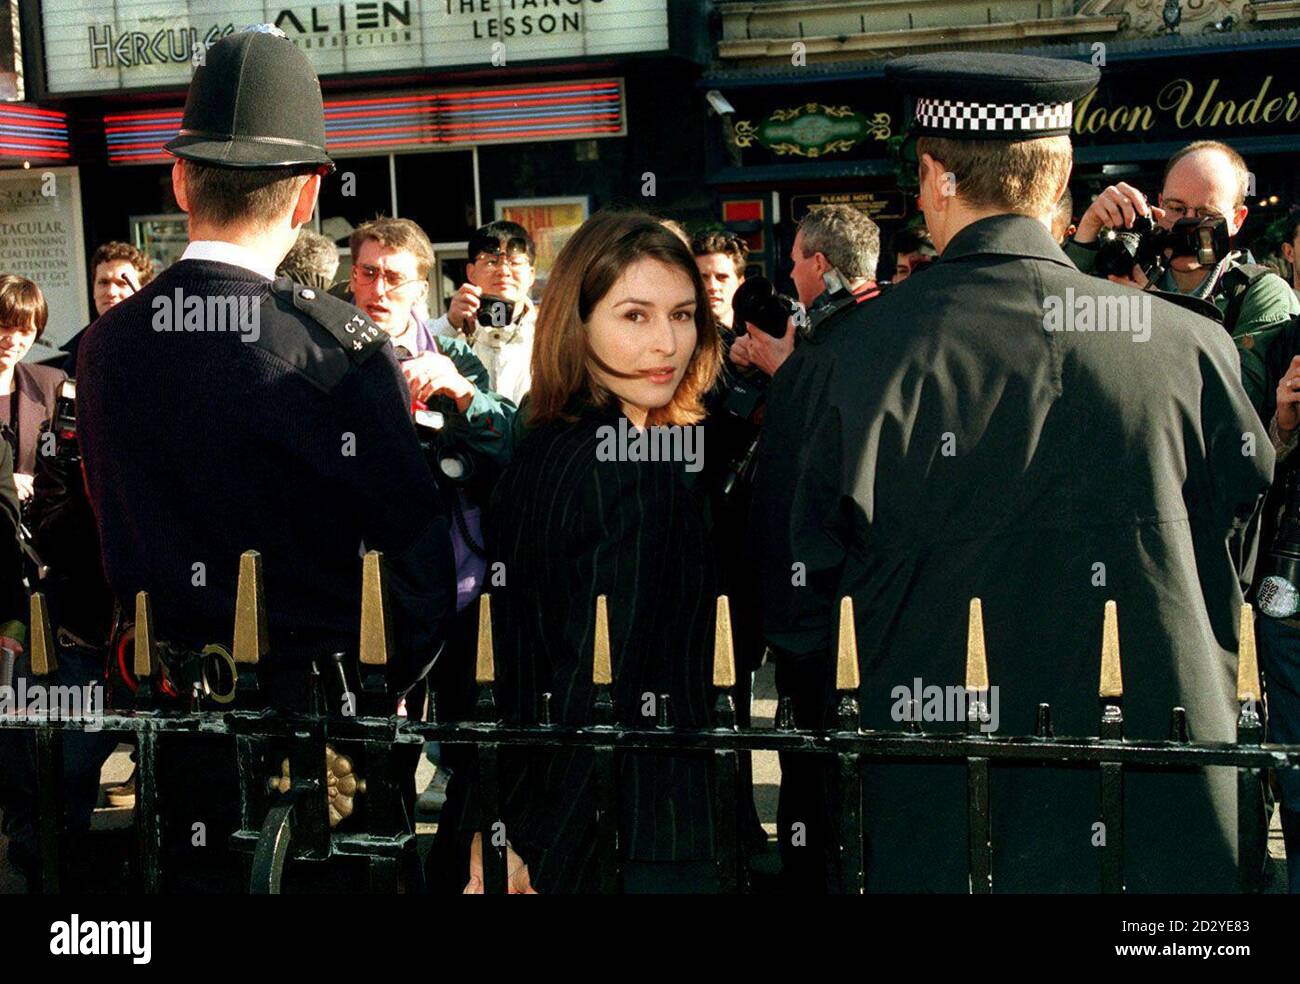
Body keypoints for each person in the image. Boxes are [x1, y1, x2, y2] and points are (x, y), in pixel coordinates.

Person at [757, 50, 1272, 893]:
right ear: (1062, 172)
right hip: (1159, 833)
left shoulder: (845, 361)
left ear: (932, 176)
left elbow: (793, 606)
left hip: (932, 825)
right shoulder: (1192, 347)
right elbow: (1236, 558)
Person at [74, 26, 457, 890]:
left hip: (166, 729)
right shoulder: (341, 349)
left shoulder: (104, 347)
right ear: (308, 195)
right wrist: (373, 683)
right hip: (314, 742)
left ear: (179, 180)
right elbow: (418, 563)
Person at [463, 210, 723, 893]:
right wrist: (540, 851)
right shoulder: (634, 467)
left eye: (684, 313)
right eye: (634, 316)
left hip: (549, 808)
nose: (666, 341)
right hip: (631, 832)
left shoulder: (548, 443)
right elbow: (602, 683)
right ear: (576, 323)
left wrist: (504, 825)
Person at [745, 204, 883, 892]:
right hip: (877, 609)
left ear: (820, 264)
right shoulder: (889, 331)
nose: (789, 273)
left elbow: (791, 498)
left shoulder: (827, 352)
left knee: (813, 769)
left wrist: (786, 625)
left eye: (796, 260)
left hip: (823, 619)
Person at [1065, 139, 1299, 419]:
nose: (1187, 226)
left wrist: (1155, 314)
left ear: (1237, 219)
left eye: (1205, 215)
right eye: (1176, 209)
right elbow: (1054, 329)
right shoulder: (1133, 269)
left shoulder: (1258, 292)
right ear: (1160, 203)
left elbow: (1239, 404)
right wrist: (1086, 236)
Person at [429, 220, 537, 404]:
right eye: (491, 261)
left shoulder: (551, 333)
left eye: (514, 262)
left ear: (531, 274)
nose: (503, 271)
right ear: (471, 273)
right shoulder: (450, 329)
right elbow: (411, 357)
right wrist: (450, 324)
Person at [0, 275, 65, 505]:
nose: (13, 340)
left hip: (36, 529)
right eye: (4, 327)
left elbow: (54, 457)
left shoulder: (51, 385)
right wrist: (5, 482)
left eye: (25, 331)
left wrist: (36, 482)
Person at [60, 242, 155, 374]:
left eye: (122, 283)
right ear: (93, 290)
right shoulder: (75, 356)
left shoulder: (163, 347)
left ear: (144, 290)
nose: (111, 292)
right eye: (103, 282)